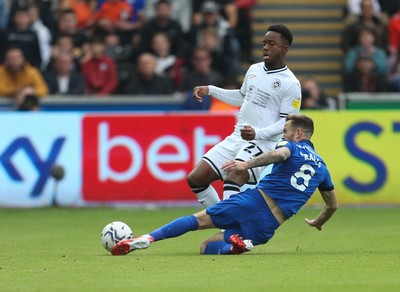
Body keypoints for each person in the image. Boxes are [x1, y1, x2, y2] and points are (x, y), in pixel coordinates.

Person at [111, 114, 338, 256]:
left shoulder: (292, 147)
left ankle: (147, 238)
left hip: (254, 202)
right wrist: (318, 222)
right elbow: (332, 205)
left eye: (287, 132)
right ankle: (234, 244)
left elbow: (279, 154)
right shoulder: (322, 167)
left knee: (196, 221)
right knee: (206, 247)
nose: (284, 136)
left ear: (299, 133)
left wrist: (244, 165)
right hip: (269, 226)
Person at [186, 24, 301, 208]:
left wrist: (258, 134)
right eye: (264, 43)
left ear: (284, 49)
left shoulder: (291, 84)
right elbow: (241, 96)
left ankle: (230, 231)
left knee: (234, 175)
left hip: (263, 144)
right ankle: (222, 219)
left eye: (272, 43)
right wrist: (210, 90)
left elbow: (287, 123)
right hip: (237, 138)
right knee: (196, 179)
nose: (265, 47)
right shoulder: (254, 69)